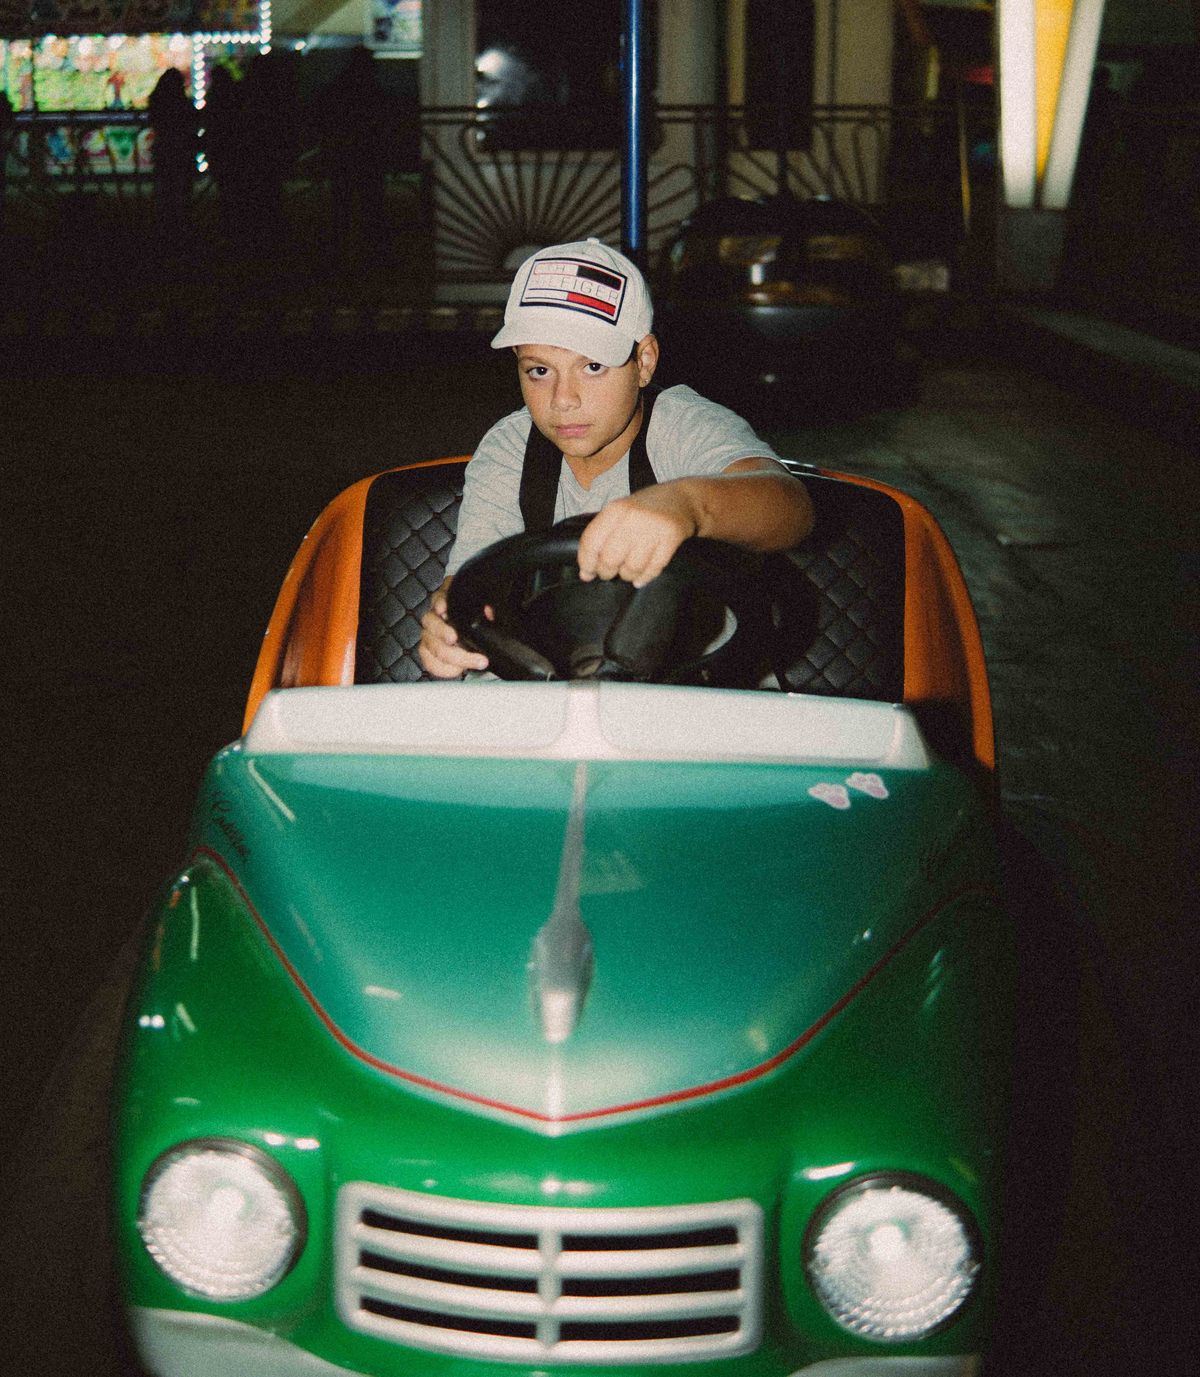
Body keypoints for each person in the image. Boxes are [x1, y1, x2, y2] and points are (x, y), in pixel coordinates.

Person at [419, 237, 813, 679]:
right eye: (539, 370)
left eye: (592, 367)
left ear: (644, 362)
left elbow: (792, 507)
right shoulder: (510, 447)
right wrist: (448, 627)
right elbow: (467, 582)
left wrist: (687, 506)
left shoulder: (683, 428)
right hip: (544, 693)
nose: (563, 399)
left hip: (695, 693)